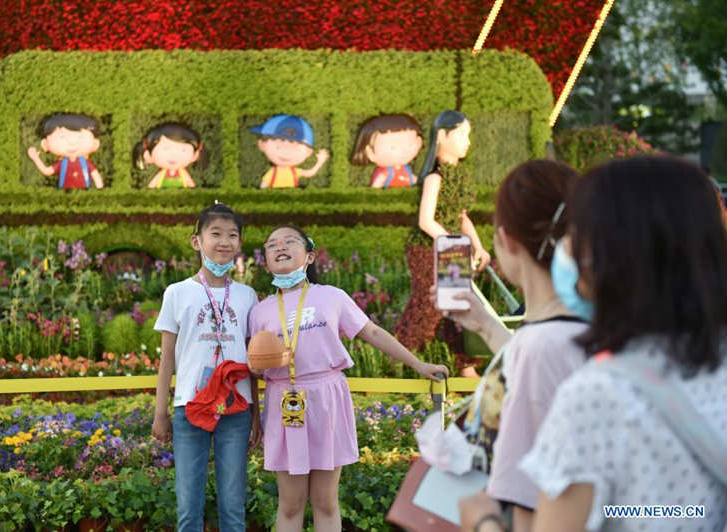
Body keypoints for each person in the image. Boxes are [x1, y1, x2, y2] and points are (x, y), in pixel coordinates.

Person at [461, 156, 727, 532]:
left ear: (610, 256)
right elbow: (681, 511)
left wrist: (482, 520)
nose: (565, 248)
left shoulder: (597, 395)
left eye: (578, 234)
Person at [248, 225, 449, 532]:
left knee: (326, 501)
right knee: (290, 504)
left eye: (290, 241)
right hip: (284, 402)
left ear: (310, 255)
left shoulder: (331, 296)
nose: (280, 247)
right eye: (271, 244)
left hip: (327, 396)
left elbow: (372, 332)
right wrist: (258, 377)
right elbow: (251, 366)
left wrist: (417, 364)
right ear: (266, 262)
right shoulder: (259, 311)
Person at [435, 159, 585, 531]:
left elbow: (527, 508)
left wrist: (480, 519)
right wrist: (486, 326)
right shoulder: (598, 329)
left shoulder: (540, 348)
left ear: (505, 241)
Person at [152, 203, 262, 532]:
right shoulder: (177, 293)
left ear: (240, 244)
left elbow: (253, 361)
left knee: (233, 505)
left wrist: (256, 413)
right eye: (215, 233)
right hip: (190, 405)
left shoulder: (247, 296)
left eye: (232, 235)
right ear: (196, 241)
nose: (224, 241)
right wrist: (161, 412)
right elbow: (167, 358)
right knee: (188, 506)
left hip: (237, 408)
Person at [393, 110, 489, 377]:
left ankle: (466, 366)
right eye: (462, 135)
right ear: (443, 136)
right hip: (427, 249)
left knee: (458, 305)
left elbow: (461, 217)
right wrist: (458, 247)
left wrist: (477, 246)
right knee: (428, 306)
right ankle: (394, 361)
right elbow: (426, 221)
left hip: (451, 247)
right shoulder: (435, 177)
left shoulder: (459, 176)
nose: (467, 142)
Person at [27, 113, 105, 189]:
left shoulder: (86, 163)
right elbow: (47, 171)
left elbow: (95, 175)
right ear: (45, 144)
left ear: (95, 144)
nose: (72, 142)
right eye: (62, 137)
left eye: (80, 137)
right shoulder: (61, 164)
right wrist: (36, 158)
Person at [250, 114, 329, 188]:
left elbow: (309, 173)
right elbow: (264, 184)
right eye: (278, 147)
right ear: (261, 145)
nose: (285, 153)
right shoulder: (272, 172)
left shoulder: (295, 172)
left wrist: (320, 162)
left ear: (308, 152)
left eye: (294, 149)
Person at [350, 113, 423, 188]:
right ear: (370, 153)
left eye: (409, 144)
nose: (403, 151)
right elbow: (376, 185)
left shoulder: (406, 169)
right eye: (393, 147)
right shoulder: (385, 173)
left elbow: (412, 178)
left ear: (419, 143)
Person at [133, 122, 207, 189]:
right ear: (149, 153)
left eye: (183, 150)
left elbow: (189, 182)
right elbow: (154, 182)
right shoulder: (162, 173)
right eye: (166, 149)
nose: (173, 155)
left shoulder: (183, 173)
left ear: (195, 155)